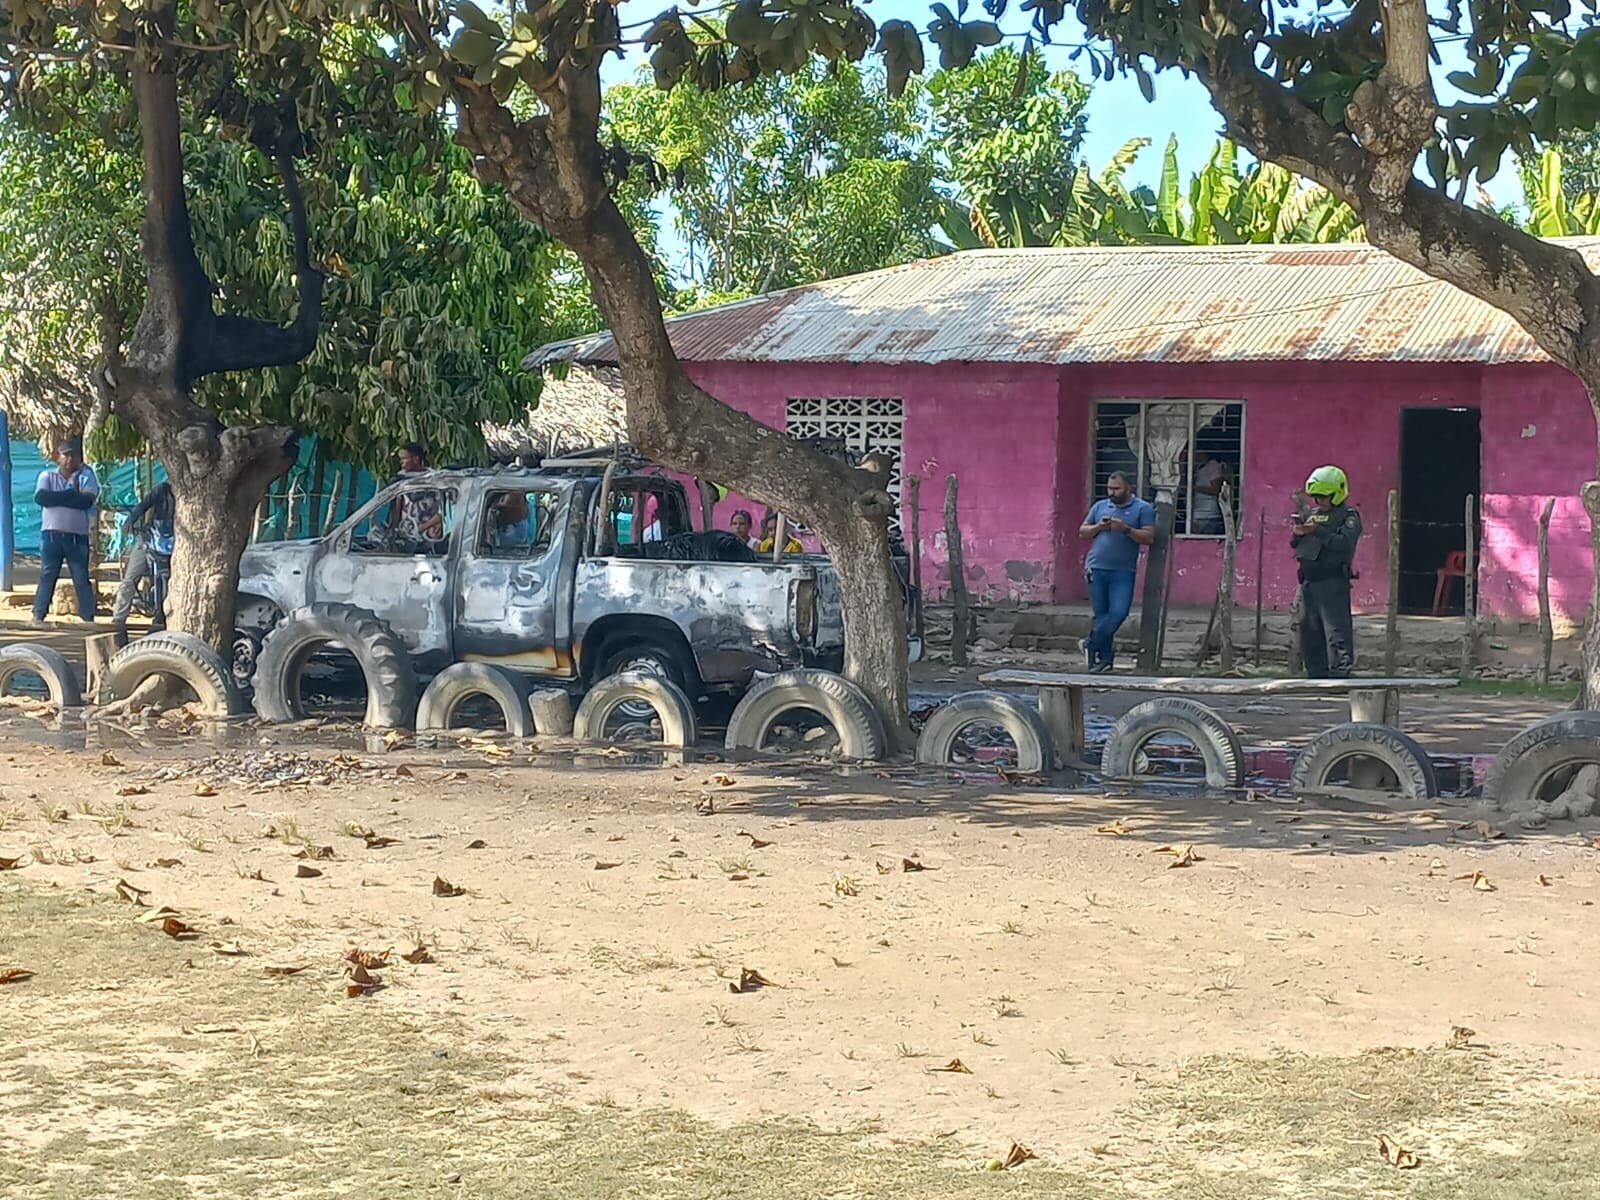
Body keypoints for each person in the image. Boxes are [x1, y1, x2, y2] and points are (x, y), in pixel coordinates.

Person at [1078, 471, 1156, 673]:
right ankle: (1104, 661)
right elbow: (1082, 532)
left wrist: (1126, 529)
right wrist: (1098, 527)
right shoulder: (1100, 506)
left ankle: (1090, 643)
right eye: (1109, 488)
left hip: (1123, 571)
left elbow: (1148, 537)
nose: (1112, 492)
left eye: (1116, 488)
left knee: (1118, 613)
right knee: (1101, 616)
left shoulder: (1142, 508)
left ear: (1129, 488)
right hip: (1096, 568)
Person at [1292, 465, 1363, 679]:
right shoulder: (1313, 515)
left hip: (1332, 580)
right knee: (1309, 630)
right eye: (1316, 498)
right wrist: (1299, 532)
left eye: (1323, 497)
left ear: (1337, 493)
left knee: (1336, 630)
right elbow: (1298, 545)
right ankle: (1315, 672)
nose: (1319, 502)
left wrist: (1318, 531)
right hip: (1309, 581)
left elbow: (1344, 544)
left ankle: (1340, 673)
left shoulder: (1348, 516)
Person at [31, 436, 100, 627]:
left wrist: (59, 498)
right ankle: (38, 615)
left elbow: (85, 501)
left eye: (74, 456)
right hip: (51, 535)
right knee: (47, 574)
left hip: (77, 537)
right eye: (66, 455)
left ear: (80, 458)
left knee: (80, 577)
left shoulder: (87, 476)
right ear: (58, 457)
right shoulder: (47, 476)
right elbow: (42, 498)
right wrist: (71, 494)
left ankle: (87, 618)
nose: (70, 460)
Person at [111, 479, 175, 632]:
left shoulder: (190, 495)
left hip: (171, 543)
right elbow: (143, 504)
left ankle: (163, 616)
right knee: (130, 578)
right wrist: (130, 521)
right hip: (149, 539)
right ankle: (118, 619)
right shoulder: (162, 489)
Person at [390, 442, 443, 544]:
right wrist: (395, 527)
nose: (401, 462)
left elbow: (441, 511)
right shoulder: (401, 478)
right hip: (406, 534)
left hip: (429, 535)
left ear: (416, 459)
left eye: (404, 458)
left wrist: (422, 528)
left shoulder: (434, 479)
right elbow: (398, 503)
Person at [1189, 447, 1229, 535]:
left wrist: (1193, 488)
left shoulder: (1212, 465)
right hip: (1199, 514)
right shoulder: (1199, 467)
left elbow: (1216, 489)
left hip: (1209, 515)